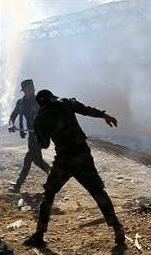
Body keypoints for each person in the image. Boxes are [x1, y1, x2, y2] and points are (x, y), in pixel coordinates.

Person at [25, 90, 126, 249]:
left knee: (49, 194)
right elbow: (86, 110)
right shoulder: (65, 103)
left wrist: (38, 133)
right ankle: (117, 227)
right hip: (82, 156)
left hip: (64, 161)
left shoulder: (40, 119)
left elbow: (44, 144)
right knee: (98, 191)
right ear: (52, 97)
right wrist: (105, 116)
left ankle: (39, 235)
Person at [8, 78, 50, 192]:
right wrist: (10, 125)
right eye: (30, 88)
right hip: (32, 135)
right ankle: (52, 175)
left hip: (41, 135)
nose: (32, 90)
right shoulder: (21, 103)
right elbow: (12, 116)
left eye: (33, 88)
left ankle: (17, 186)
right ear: (24, 90)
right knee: (37, 161)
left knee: (28, 159)